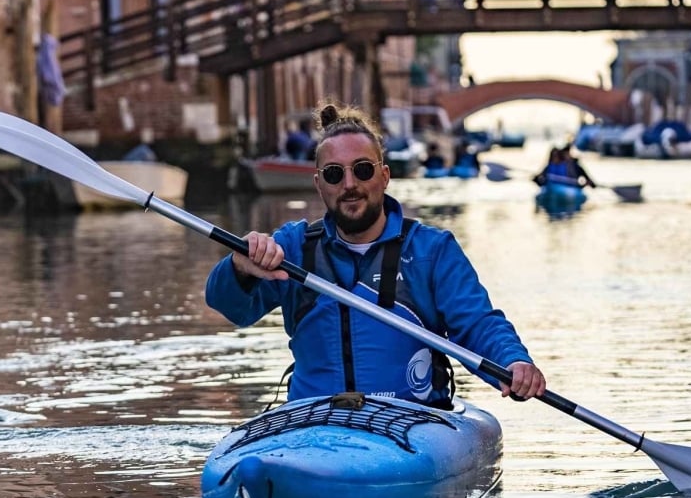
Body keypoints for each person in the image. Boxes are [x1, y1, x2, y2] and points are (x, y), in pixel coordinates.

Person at [206, 101, 546, 407]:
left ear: (384, 176)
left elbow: (477, 324)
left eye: (363, 169)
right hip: (312, 421)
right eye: (334, 174)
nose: (349, 184)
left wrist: (512, 361)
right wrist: (238, 268)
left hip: (411, 420)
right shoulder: (292, 248)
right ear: (319, 185)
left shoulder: (432, 250)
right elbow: (230, 307)